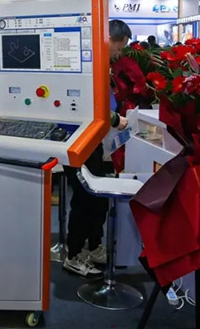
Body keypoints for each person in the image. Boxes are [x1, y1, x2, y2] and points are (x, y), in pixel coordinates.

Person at [63, 19, 131, 278]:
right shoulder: (89, 64)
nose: (119, 54)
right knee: (84, 200)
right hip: (80, 141)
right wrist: (114, 119)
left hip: (95, 143)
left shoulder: (101, 65)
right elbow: (87, 104)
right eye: (119, 47)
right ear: (110, 39)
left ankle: (93, 246)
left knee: (97, 200)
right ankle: (73, 255)